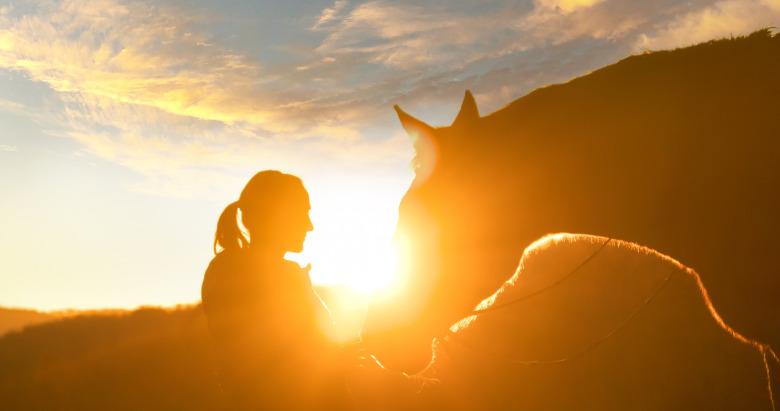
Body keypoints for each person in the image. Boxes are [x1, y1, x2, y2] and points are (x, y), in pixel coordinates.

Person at [201, 170, 355, 410]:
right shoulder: (257, 276)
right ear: (276, 215)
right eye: (303, 214)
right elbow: (290, 367)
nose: (310, 226)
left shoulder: (231, 269)